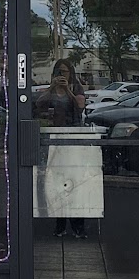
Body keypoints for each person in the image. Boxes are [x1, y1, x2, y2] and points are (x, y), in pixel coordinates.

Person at [35, 58, 89, 237]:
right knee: (57, 182)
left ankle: (78, 225)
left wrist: (68, 90)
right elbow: (39, 105)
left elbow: (80, 108)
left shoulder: (76, 88)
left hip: (72, 138)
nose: (62, 75)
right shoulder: (51, 89)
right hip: (55, 139)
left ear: (70, 73)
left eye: (64, 72)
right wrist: (52, 88)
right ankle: (60, 224)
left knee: (75, 181)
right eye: (59, 72)